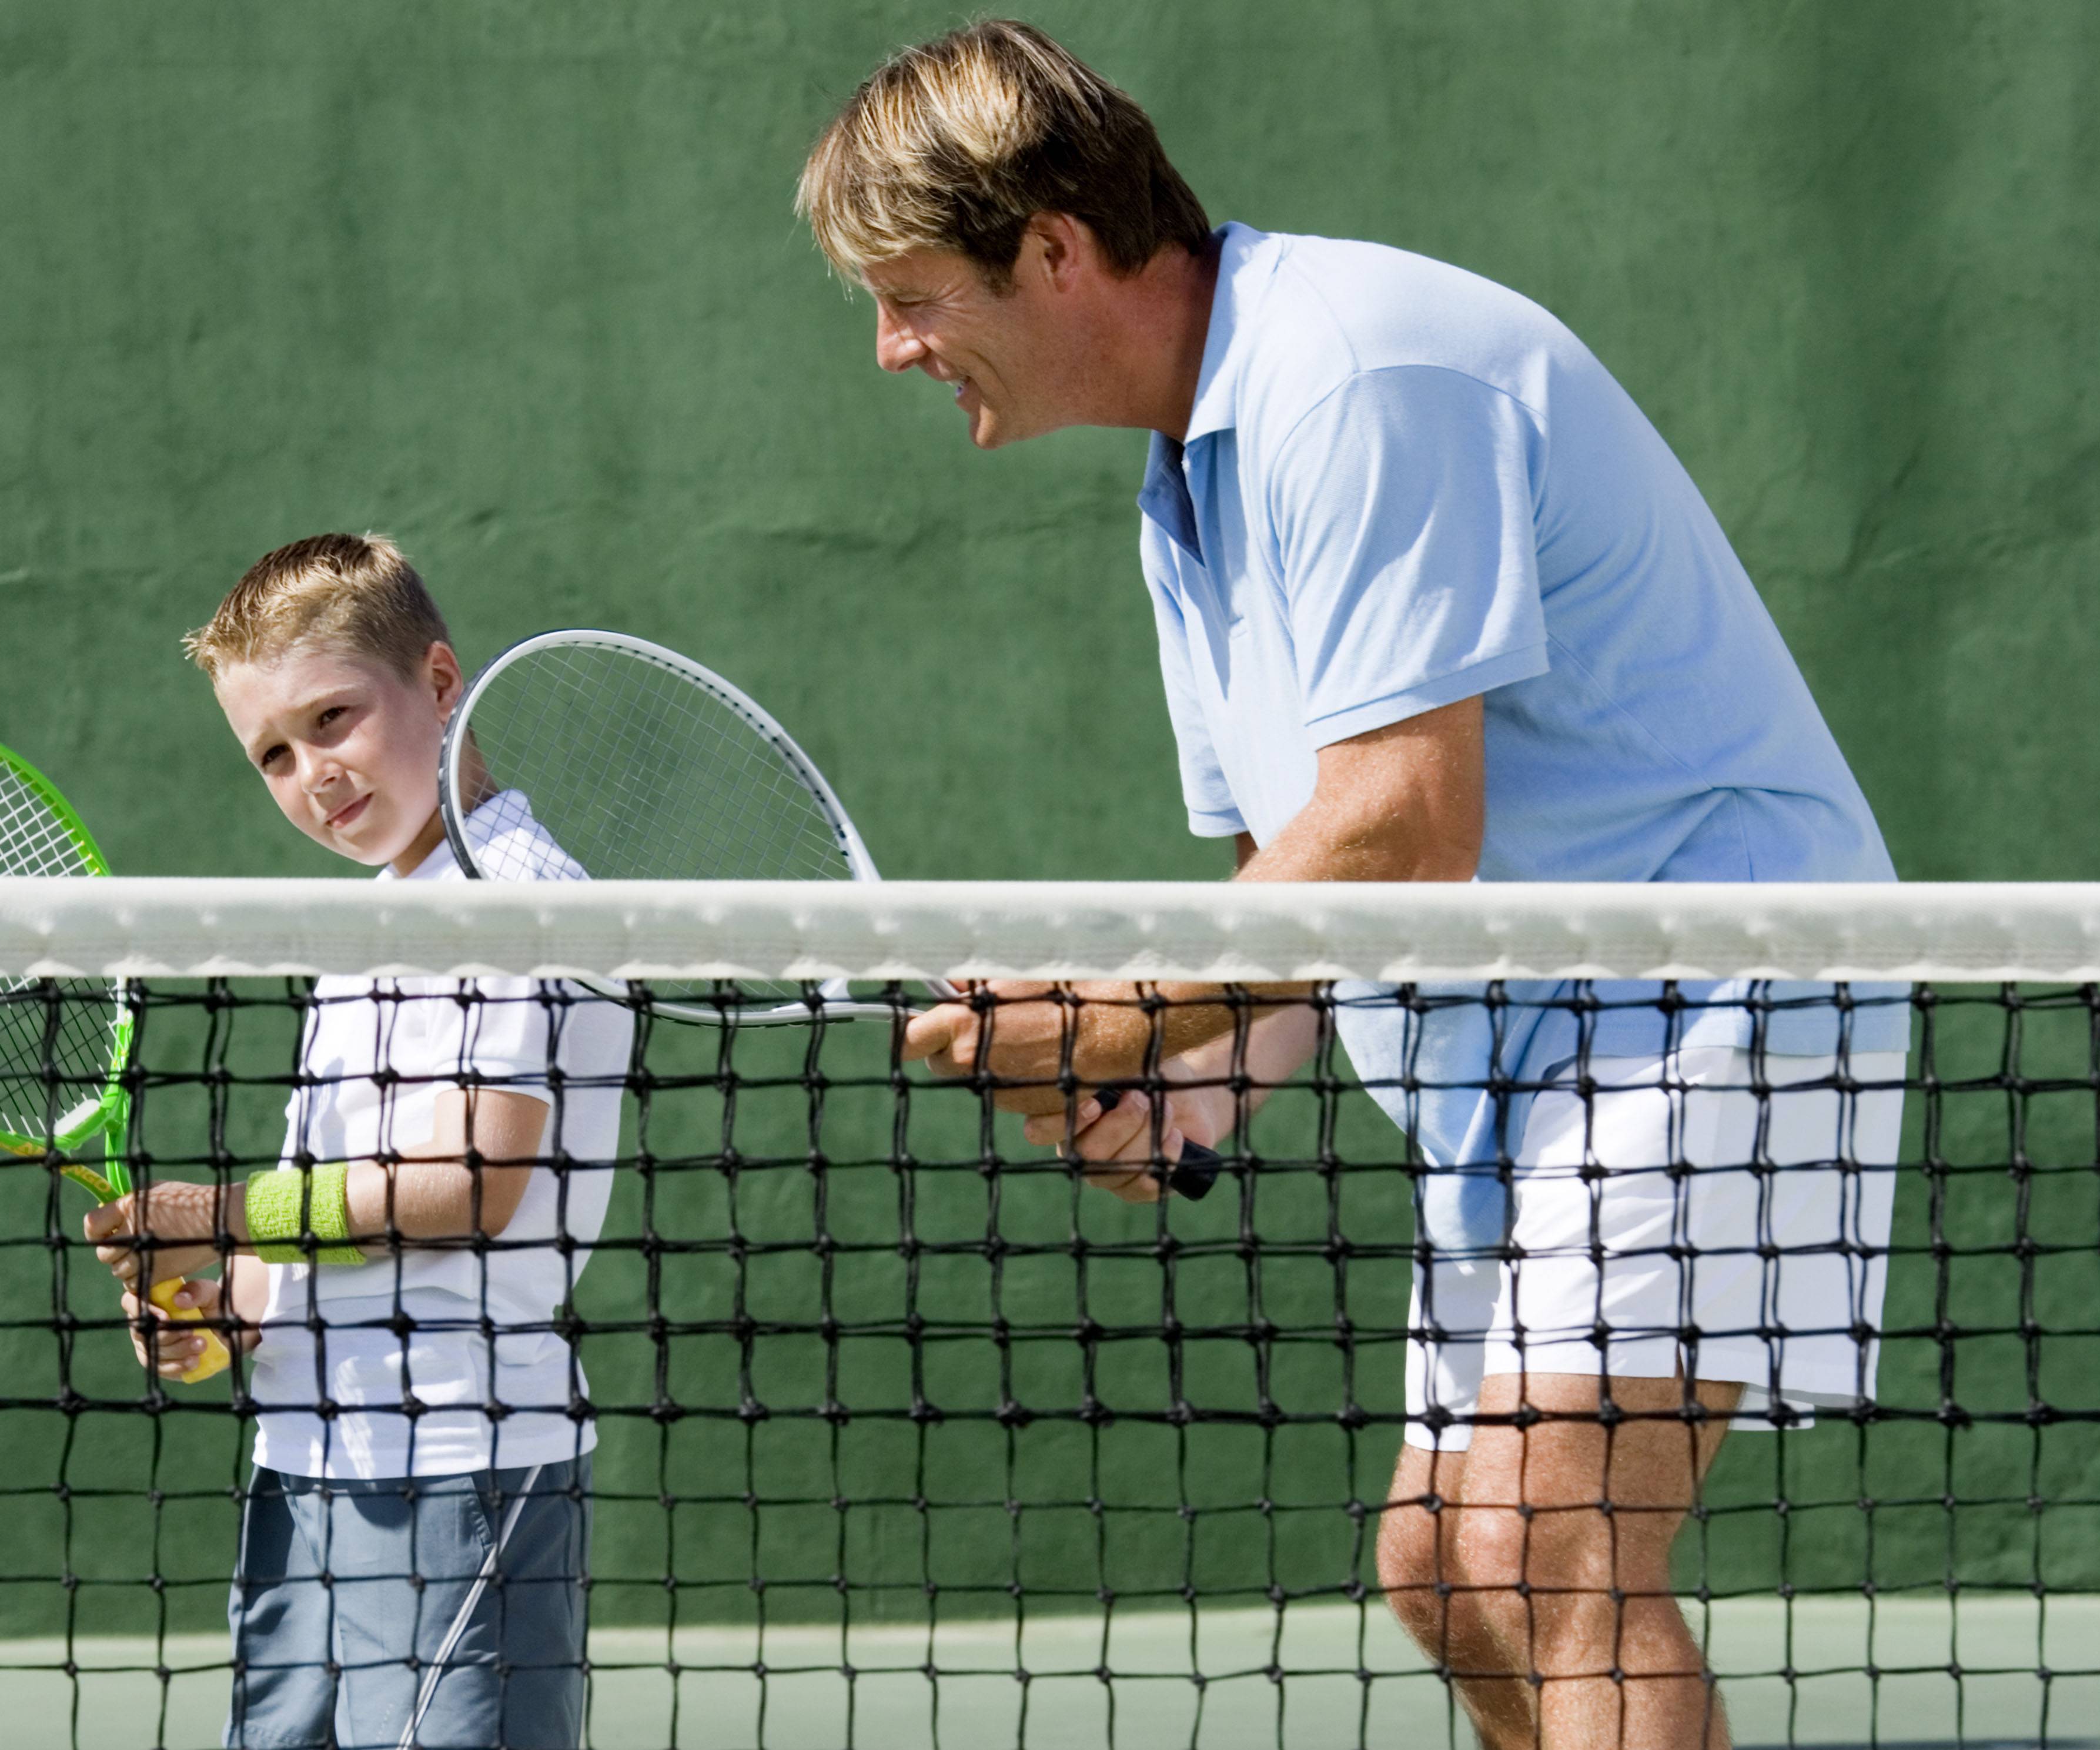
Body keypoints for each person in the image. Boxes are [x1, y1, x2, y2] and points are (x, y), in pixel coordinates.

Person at [797, 23, 1908, 1750]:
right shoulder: (1189, 483)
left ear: (1054, 251)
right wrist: (1183, 1080)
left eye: (909, 292)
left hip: (1714, 1002)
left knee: (1548, 1552)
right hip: (1508, 1050)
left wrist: (1106, 1013)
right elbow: (1294, 875)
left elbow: (1401, 826)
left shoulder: (1354, 378)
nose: (886, 349)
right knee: (1437, 1568)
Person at [84, 533, 631, 1750]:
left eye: (331, 719)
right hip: (311, 1459)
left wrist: (217, 1215)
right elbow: (332, 1185)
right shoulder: (384, 908)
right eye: (272, 753)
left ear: (440, 683)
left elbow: (472, 1184)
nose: (310, 773)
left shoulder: (513, 896)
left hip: (458, 1466)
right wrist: (232, 1304)